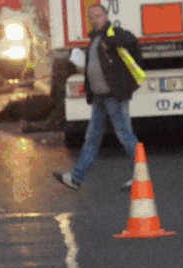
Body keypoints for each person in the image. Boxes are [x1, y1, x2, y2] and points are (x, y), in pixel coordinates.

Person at [53, 3, 145, 192]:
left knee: (125, 136)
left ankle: (141, 176)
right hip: (99, 97)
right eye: (92, 17)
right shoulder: (95, 39)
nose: (95, 20)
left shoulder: (113, 33)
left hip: (113, 96)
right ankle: (76, 178)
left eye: (98, 16)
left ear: (105, 16)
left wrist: (110, 41)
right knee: (92, 139)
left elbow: (130, 40)